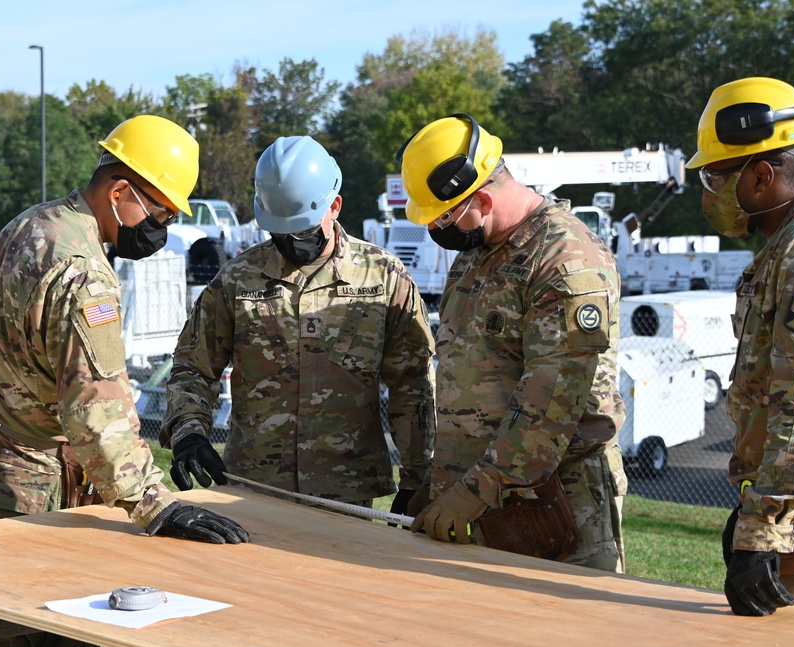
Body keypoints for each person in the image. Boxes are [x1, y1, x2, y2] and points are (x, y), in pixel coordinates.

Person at [0, 115, 249, 647]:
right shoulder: (85, 272)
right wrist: (156, 506)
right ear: (119, 192)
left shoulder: (30, 225)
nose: (160, 228)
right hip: (33, 486)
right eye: (158, 212)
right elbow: (96, 413)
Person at [399, 114, 627, 572]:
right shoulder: (475, 256)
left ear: (482, 198)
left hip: (554, 504)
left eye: (445, 217)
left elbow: (551, 402)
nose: (437, 231)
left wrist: (474, 493)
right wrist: (439, 482)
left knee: (562, 635)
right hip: (478, 497)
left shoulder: (564, 258)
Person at [161, 135, 436, 514]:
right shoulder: (238, 279)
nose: (291, 243)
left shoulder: (383, 277)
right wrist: (188, 432)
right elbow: (193, 366)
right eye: (279, 232)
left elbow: (413, 384)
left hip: (346, 490)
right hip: (253, 484)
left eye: (303, 231)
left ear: (334, 206)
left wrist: (418, 477)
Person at [687, 77, 794, 616]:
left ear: (763, 174)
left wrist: (764, 529)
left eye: (715, 174)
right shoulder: (789, 245)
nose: (708, 191)